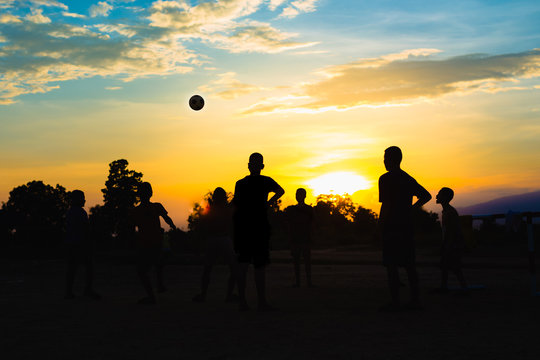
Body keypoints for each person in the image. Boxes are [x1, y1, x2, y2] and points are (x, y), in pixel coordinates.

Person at [378, 146, 431, 311]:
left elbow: (386, 205)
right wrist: (412, 209)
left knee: (392, 265)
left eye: (385, 157)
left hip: (392, 227)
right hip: (406, 226)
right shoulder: (407, 178)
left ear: (391, 159)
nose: (384, 161)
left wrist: (380, 226)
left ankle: (395, 302)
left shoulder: (385, 179)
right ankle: (415, 300)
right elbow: (426, 195)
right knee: (409, 265)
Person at [233, 152, 284, 311]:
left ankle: (244, 302)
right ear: (262, 166)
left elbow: (235, 205)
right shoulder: (265, 181)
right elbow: (281, 191)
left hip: (245, 228)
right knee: (258, 266)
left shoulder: (241, 183)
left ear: (249, 165)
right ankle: (260, 302)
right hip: (258, 228)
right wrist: (269, 202)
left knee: (244, 265)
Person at [131, 182, 176, 304]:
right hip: (155, 242)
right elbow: (167, 218)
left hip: (146, 244)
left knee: (142, 270)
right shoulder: (155, 207)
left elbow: (131, 228)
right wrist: (173, 226)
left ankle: (152, 295)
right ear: (151, 193)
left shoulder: (137, 210)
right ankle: (159, 286)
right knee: (157, 264)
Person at [192, 187, 238, 303]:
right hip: (224, 240)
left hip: (212, 240)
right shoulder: (228, 209)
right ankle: (228, 295)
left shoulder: (210, 209)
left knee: (207, 269)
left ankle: (203, 295)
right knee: (234, 269)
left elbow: (203, 228)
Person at [64, 190, 101, 300]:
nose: (84, 200)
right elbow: (86, 230)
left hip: (72, 244)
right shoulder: (80, 212)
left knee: (72, 269)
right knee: (88, 267)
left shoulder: (70, 212)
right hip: (80, 245)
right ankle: (87, 290)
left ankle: (69, 291)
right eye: (82, 198)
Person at [435, 187, 468, 294]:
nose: (436, 196)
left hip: (453, 244)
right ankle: (444, 287)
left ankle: (464, 288)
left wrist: (447, 246)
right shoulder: (446, 211)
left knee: (455, 267)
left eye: (439, 194)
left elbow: (452, 232)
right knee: (445, 266)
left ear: (445, 197)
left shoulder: (450, 212)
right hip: (450, 243)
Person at [285, 188, 314, 288]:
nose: (298, 196)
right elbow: (289, 225)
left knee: (307, 262)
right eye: (297, 194)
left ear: (304, 196)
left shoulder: (309, 209)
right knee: (296, 262)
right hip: (295, 239)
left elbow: (311, 224)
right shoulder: (292, 210)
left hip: (305, 239)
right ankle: (298, 282)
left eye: (300, 194)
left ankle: (308, 282)